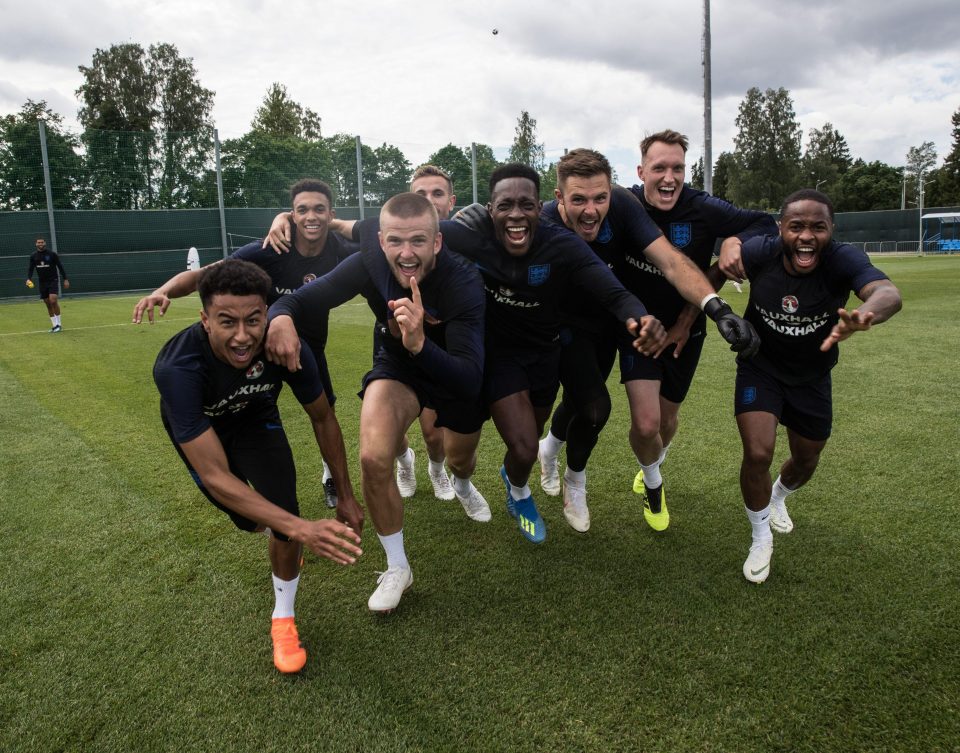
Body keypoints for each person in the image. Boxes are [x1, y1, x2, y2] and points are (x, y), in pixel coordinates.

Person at [266, 193, 487, 614]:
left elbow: (470, 377)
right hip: (398, 367)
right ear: (381, 241)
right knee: (373, 457)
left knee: (460, 459)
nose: (407, 254)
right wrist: (281, 317)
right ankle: (397, 566)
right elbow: (300, 299)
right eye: (397, 242)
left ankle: (457, 481)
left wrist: (422, 343)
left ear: (437, 243)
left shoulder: (463, 281)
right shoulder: (367, 263)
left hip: (454, 371)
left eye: (419, 241)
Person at [152, 259, 364, 672]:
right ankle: (286, 537)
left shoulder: (286, 346)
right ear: (205, 320)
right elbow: (215, 475)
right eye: (227, 322)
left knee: (283, 516)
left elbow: (322, 416)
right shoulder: (178, 368)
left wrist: (346, 496)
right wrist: (301, 529)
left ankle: (283, 618)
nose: (243, 336)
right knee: (256, 521)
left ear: (268, 312)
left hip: (256, 419)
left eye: (254, 319)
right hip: (205, 432)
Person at [443, 164, 668, 544]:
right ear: (491, 208)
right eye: (505, 205)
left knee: (532, 438)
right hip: (501, 357)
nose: (516, 214)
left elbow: (614, 292)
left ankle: (516, 475)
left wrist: (640, 317)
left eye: (526, 205)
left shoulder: (562, 243)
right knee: (525, 446)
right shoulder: (473, 235)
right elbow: (401, 233)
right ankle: (519, 494)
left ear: (540, 207)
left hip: (546, 355)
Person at [536, 149, 759, 532]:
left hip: (609, 322)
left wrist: (717, 309)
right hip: (562, 325)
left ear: (613, 191)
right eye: (578, 199)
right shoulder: (541, 221)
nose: (591, 210)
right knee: (593, 407)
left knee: (582, 399)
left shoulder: (624, 204)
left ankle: (549, 450)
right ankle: (574, 480)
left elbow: (671, 261)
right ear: (559, 197)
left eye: (599, 198)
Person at [133, 179, 356, 511]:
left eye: (319, 210)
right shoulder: (270, 249)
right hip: (260, 345)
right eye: (302, 210)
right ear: (292, 215)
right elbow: (206, 275)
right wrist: (163, 290)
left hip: (309, 344)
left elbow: (378, 251)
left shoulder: (340, 252)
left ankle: (330, 478)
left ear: (331, 214)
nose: (311, 216)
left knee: (324, 411)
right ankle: (251, 488)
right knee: (258, 408)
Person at [722, 189, 902, 583]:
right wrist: (724, 257)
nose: (806, 236)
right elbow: (711, 276)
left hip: (812, 377)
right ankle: (760, 536)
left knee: (806, 460)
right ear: (781, 229)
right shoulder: (760, 252)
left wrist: (865, 313)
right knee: (758, 451)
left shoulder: (842, 258)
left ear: (830, 230)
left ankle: (778, 496)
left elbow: (888, 292)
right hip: (760, 367)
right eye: (796, 226)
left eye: (817, 227)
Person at [266, 165, 461, 503]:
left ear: (451, 202)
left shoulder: (469, 234)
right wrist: (287, 217)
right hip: (392, 347)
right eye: (419, 196)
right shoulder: (380, 247)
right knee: (392, 431)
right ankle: (404, 462)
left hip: (441, 350)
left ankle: (437, 468)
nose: (429, 201)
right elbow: (339, 225)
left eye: (437, 194)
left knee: (434, 431)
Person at [26, 238, 70, 332]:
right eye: (38, 242)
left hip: (53, 280)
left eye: (42, 242)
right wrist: (28, 279)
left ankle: (59, 325)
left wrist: (65, 279)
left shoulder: (52, 254)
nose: (40, 244)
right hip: (42, 282)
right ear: (36, 244)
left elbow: (60, 266)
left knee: (53, 300)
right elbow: (31, 269)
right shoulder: (33, 256)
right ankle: (54, 326)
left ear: (45, 243)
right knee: (48, 304)